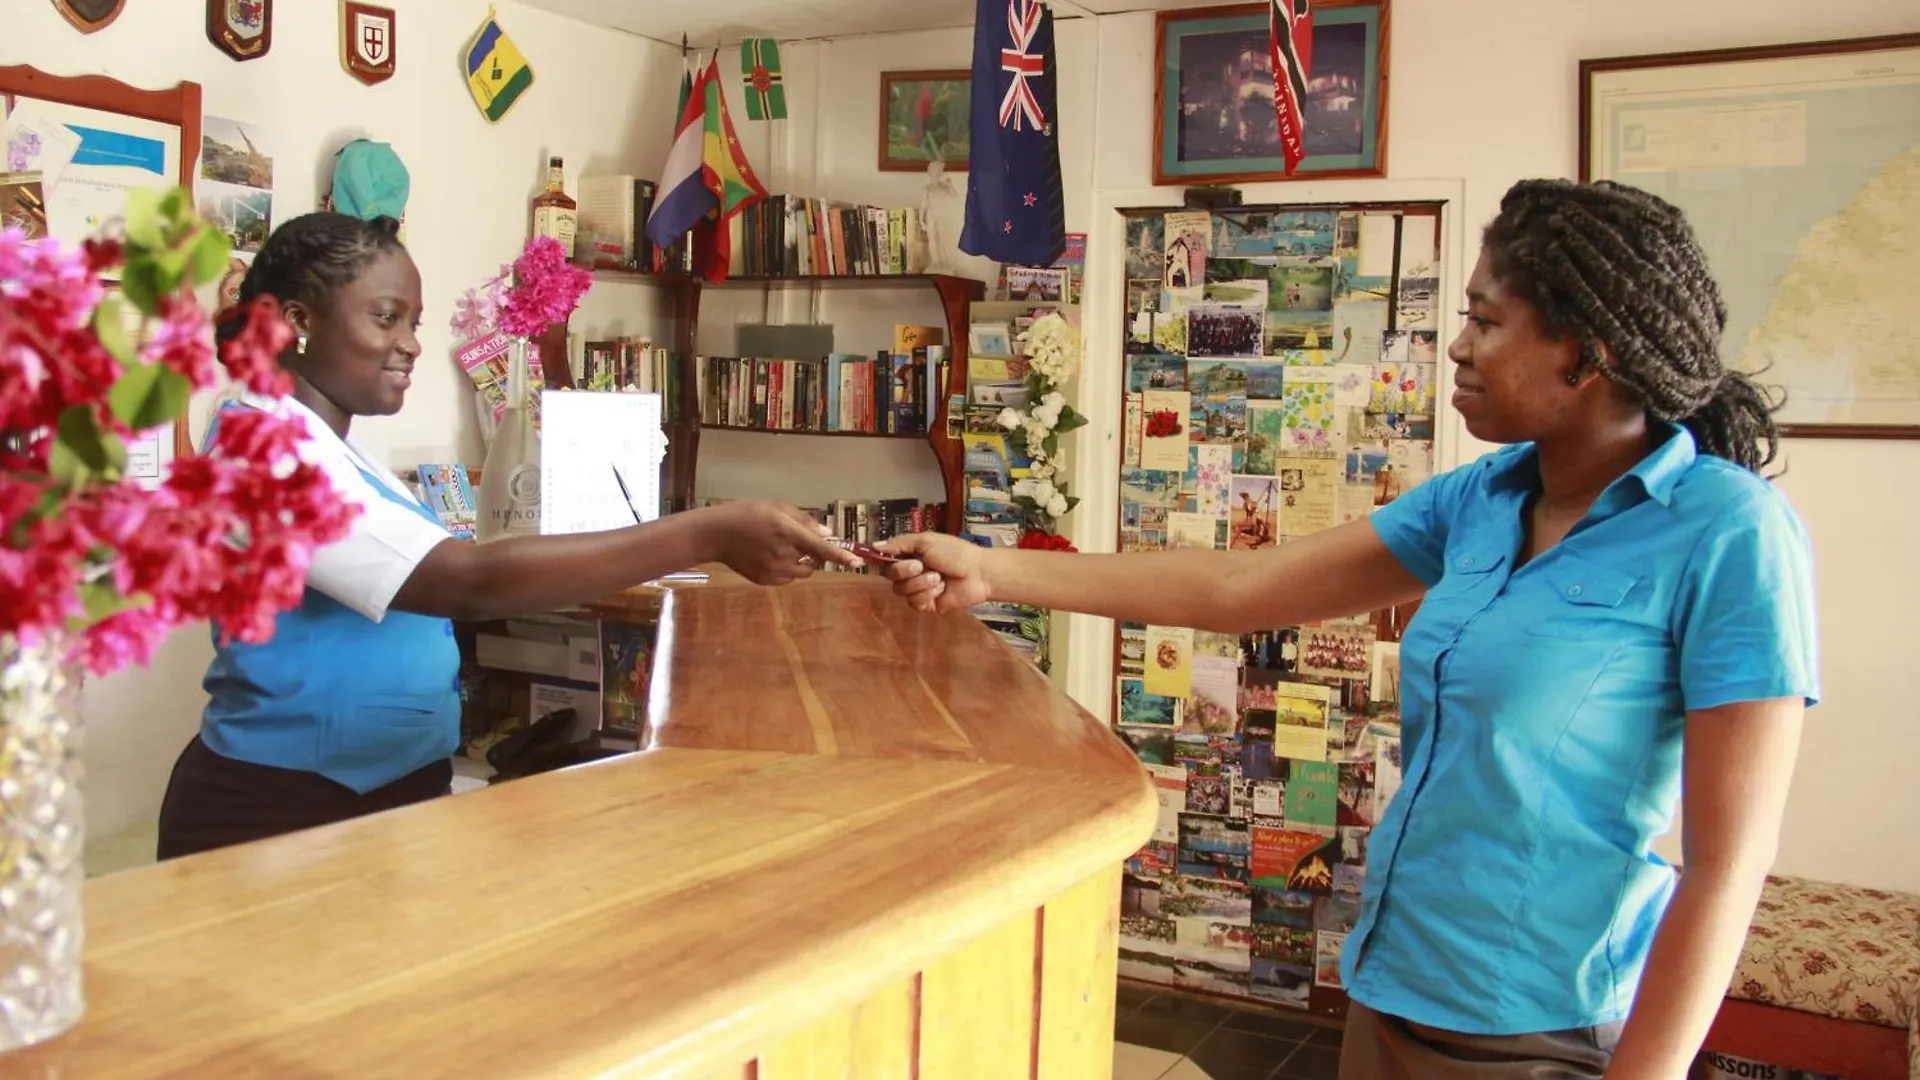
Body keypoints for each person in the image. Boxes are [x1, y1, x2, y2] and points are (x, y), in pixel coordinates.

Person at [880, 179, 1817, 1080]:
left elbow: (1729, 866)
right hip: (1390, 988)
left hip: (1549, 1029)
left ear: (1588, 351)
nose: (1458, 347)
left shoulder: (1727, 531)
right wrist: (990, 569)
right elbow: (1240, 586)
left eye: (1486, 321)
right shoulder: (1480, 499)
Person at [157, 212, 856, 861]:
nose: (411, 343)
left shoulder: (324, 443)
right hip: (283, 812)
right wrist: (708, 533)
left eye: (414, 322)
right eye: (386, 317)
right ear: (295, 322)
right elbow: (464, 581)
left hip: (372, 797)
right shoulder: (265, 457)